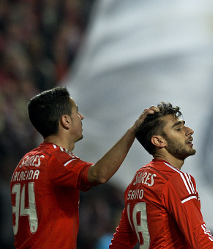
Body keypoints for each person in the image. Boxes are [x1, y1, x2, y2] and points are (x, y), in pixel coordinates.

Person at [10, 86, 151, 249]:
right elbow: (99, 174)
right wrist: (133, 132)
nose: (81, 116)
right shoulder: (56, 159)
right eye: (76, 112)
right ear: (66, 121)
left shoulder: (24, 163)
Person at [108, 102, 213, 249]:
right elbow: (200, 239)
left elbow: (120, 244)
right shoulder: (175, 179)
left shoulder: (138, 180)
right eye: (178, 129)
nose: (189, 131)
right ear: (158, 141)